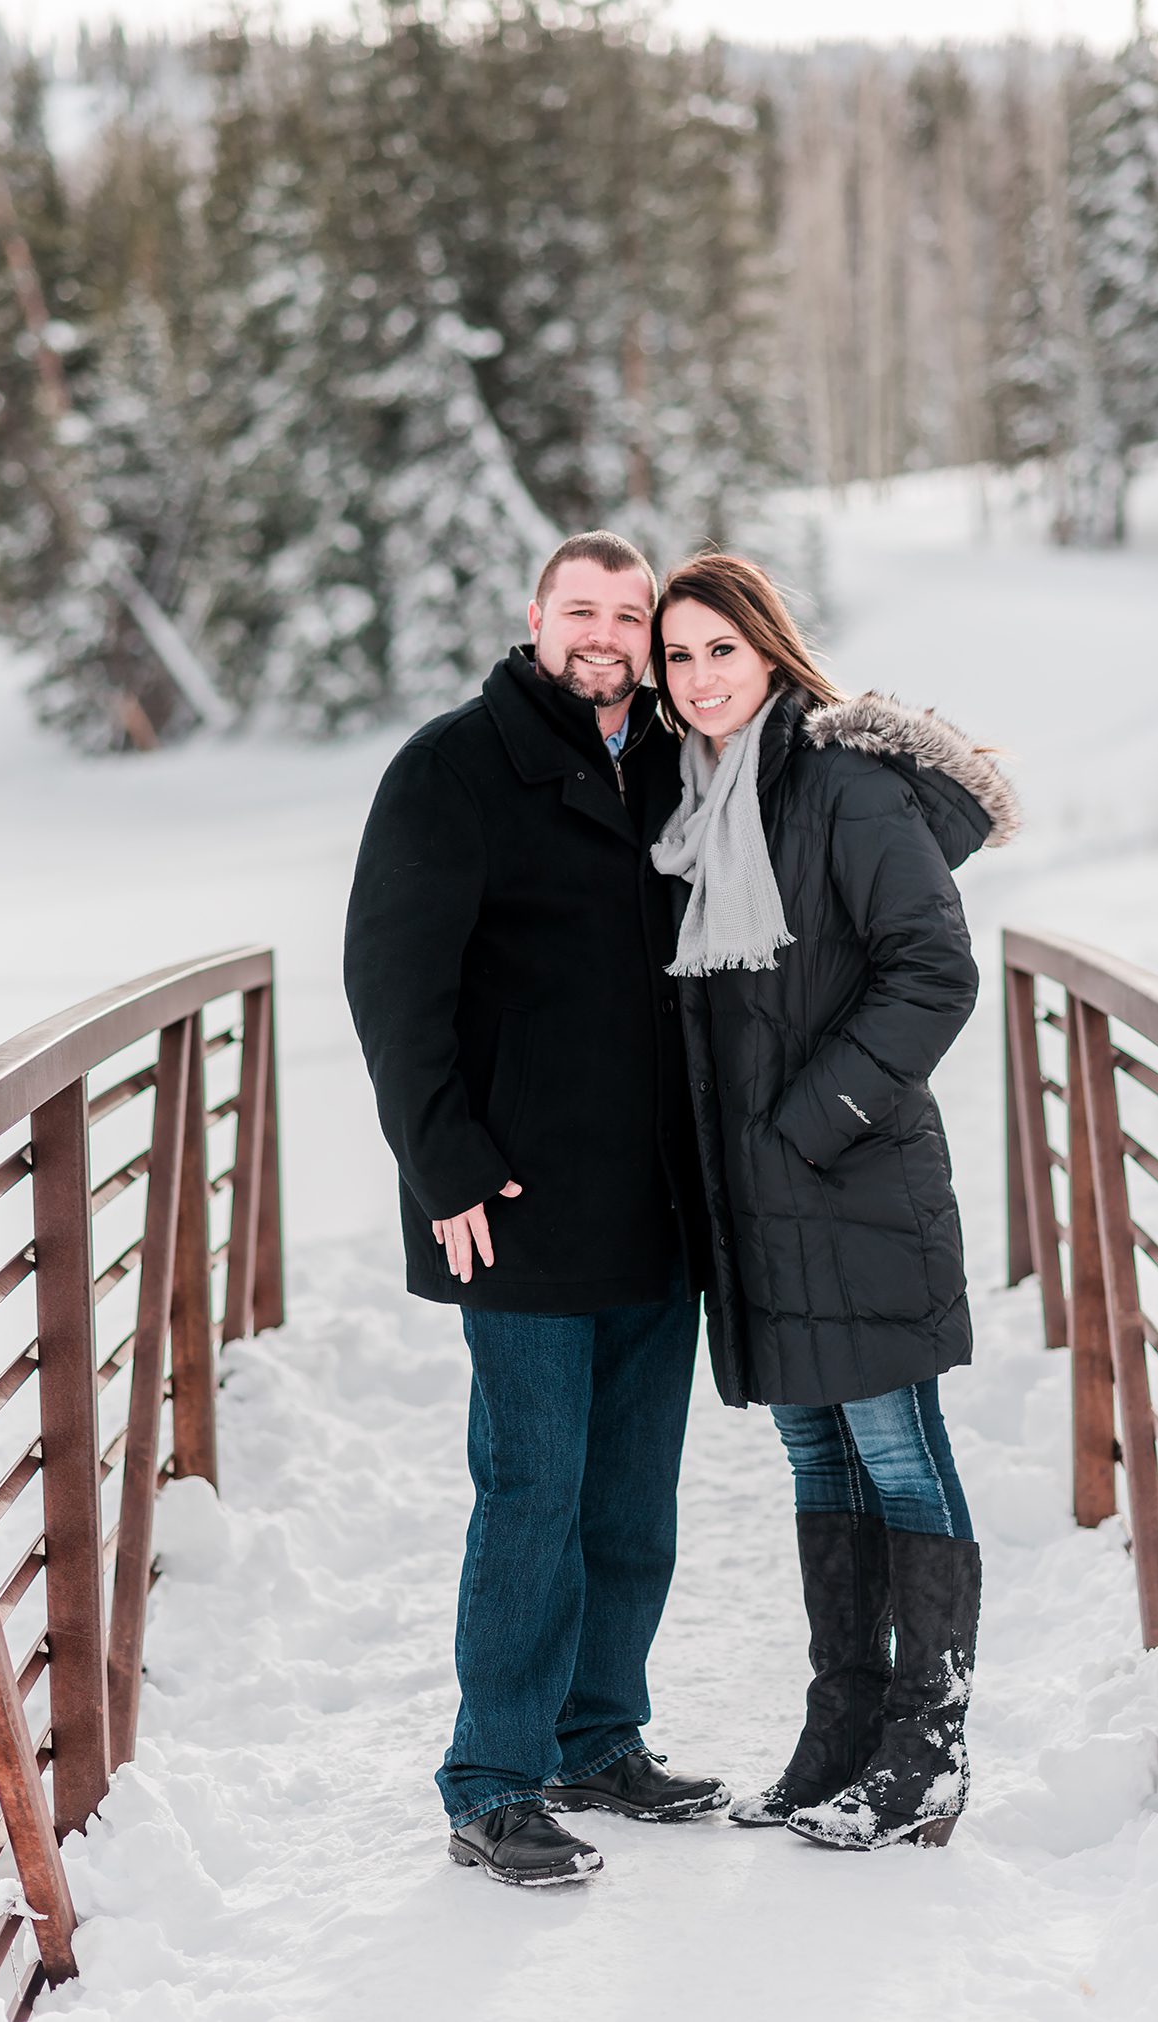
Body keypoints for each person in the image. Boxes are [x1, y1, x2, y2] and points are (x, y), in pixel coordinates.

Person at [343, 531, 726, 1889]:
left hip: (657, 1202)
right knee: (530, 1494)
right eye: (584, 610)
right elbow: (394, 990)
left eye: (631, 615)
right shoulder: (453, 766)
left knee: (630, 1499)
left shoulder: (681, 763)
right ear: (535, 616)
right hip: (509, 1205)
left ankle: (595, 1734)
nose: (606, 636)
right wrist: (439, 1170)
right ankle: (491, 1777)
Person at [650, 552, 1021, 1851]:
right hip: (763, 1208)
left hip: (851, 1183)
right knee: (817, 1456)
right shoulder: (699, 810)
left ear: (768, 646)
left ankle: (927, 1748)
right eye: (676, 657)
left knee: (898, 1449)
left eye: (718, 648)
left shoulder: (840, 784)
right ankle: (840, 1729)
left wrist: (810, 1122)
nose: (698, 677)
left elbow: (934, 969)